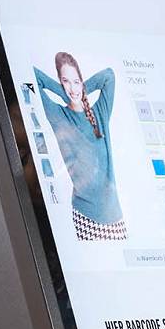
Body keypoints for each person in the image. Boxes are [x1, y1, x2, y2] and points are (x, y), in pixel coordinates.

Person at [35, 52, 127, 241]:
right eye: (65, 81)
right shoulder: (58, 115)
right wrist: (65, 93)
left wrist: (80, 91)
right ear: (60, 82)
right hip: (86, 217)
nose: (72, 87)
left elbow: (108, 76)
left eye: (76, 81)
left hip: (116, 216)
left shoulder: (100, 112)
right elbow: (34, 76)